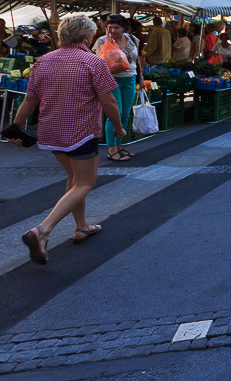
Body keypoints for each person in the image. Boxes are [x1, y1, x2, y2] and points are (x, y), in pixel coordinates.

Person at [10, 16, 125, 265]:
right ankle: (42, 230)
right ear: (86, 37)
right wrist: (118, 126)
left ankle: (82, 226)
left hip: (51, 132)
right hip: (81, 131)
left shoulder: (44, 61)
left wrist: (16, 128)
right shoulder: (93, 62)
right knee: (85, 182)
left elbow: (30, 100)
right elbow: (109, 101)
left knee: (73, 179)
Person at [93, 15, 142, 163]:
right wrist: (109, 44)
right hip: (111, 79)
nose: (113, 30)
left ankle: (119, 146)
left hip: (130, 78)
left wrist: (140, 78)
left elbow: (137, 60)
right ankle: (111, 149)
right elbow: (99, 63)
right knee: (115, 113)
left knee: (126, 114)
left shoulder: (132, 39)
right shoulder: (102, 41)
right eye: (110, 27)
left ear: (124, 28)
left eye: (116, 27)